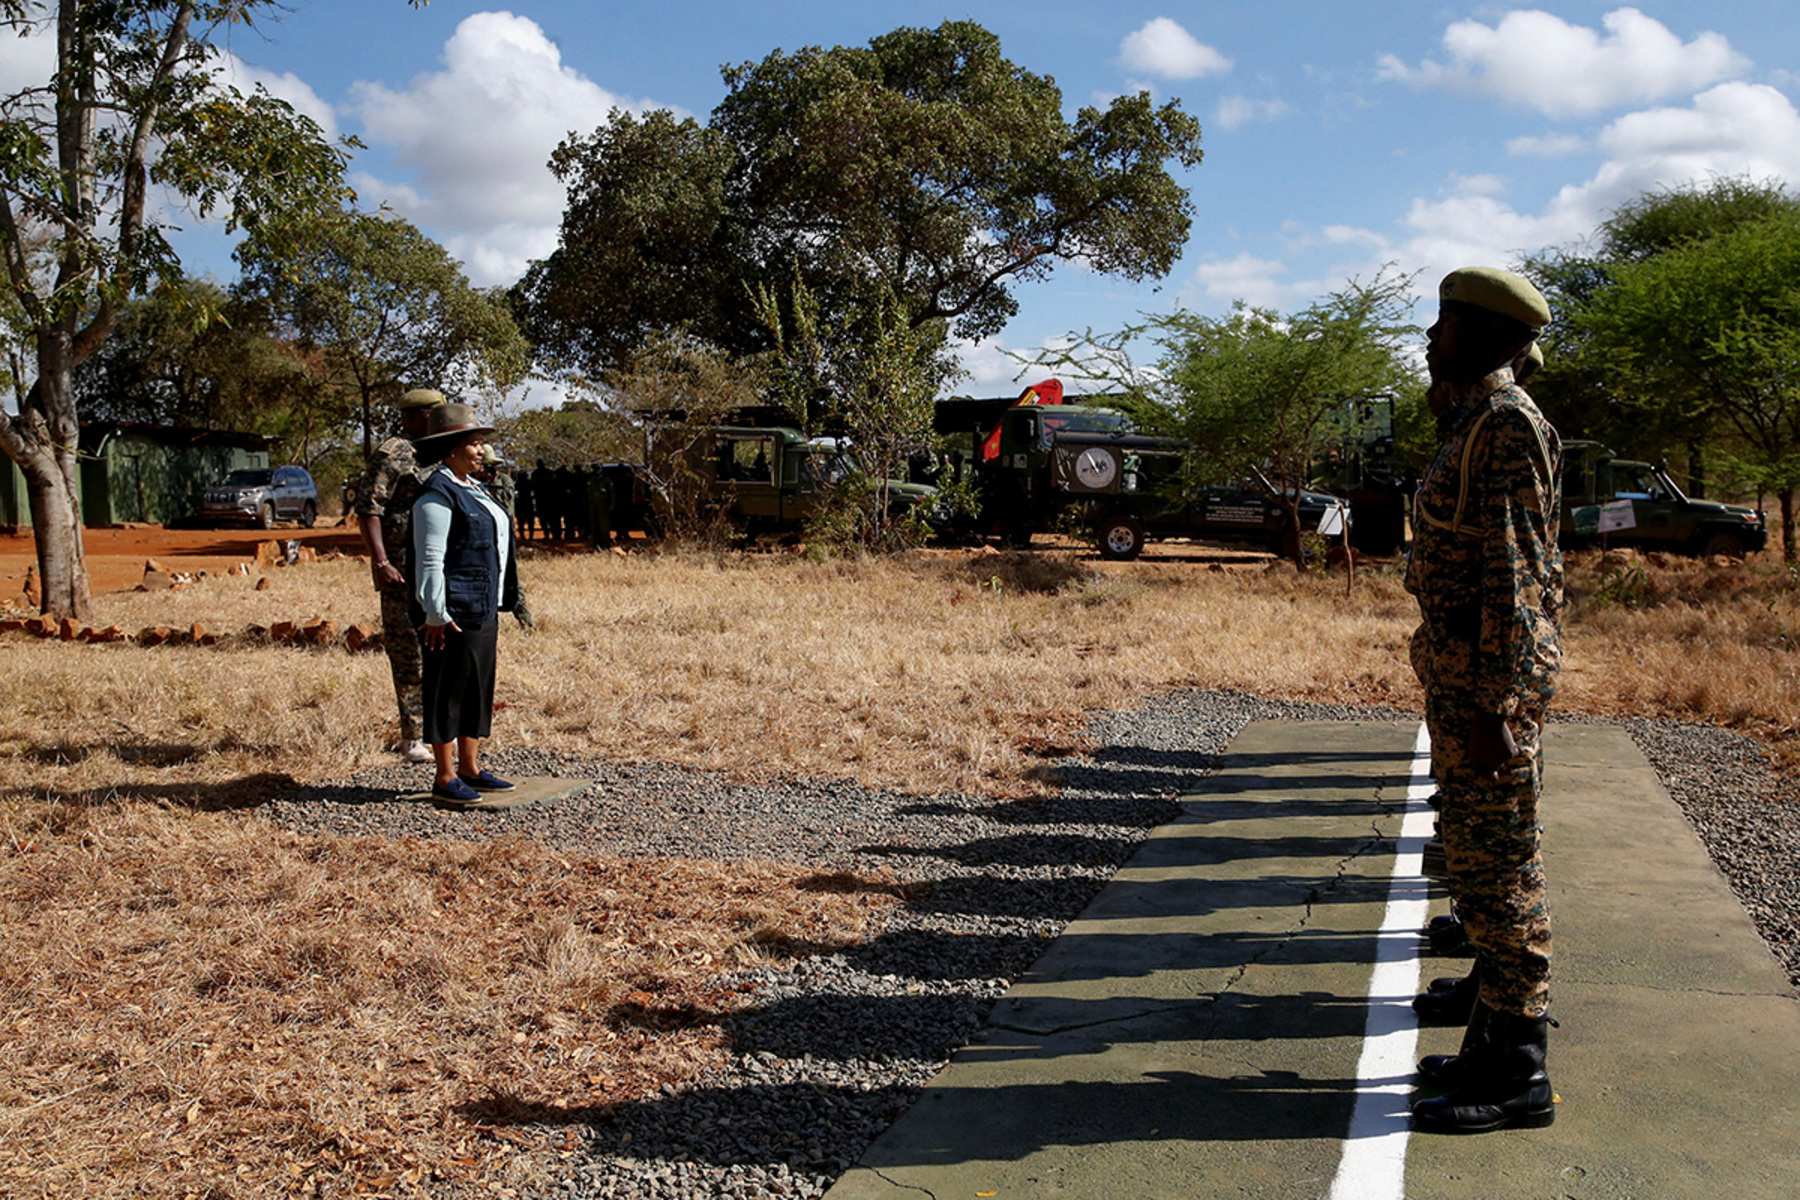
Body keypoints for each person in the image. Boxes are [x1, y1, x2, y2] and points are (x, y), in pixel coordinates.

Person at [1406, 267, 1563, 1134]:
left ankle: (1519, 1070)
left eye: (1450, 323)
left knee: (1502, 873)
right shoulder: (1473, 418)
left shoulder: (1505, 426)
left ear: (1499, 339)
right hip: (1465, 676)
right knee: (1477, 860)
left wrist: (1498, 706)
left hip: (1485, 686)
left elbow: (1516, 575)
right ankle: (1493, 1034)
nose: (1432, 337)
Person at [410, 403, 519, 806]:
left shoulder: (474, 487)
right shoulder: (436, 496)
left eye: (480, 444)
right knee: (447, 690)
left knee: (476, 687)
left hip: (482, 606)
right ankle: (445, 775)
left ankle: (471, 768)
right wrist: (434, 612)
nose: (480, 451)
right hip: (451, 612)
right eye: (473, 444)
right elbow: (430, 558)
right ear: (450, 449)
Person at [354, 387, 445, 764]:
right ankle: (412, 736)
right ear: (418, 415)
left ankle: (442, 730)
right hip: (401, 570)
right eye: (435, 412)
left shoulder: (440, 450)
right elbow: (368, 508)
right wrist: (380, 561)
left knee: (441, 646)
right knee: (408, 652)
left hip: (436, 565)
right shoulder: (393, 452)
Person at [479, 446, 535, 630]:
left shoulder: (503, 482)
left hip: (500, 538)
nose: (491, 470)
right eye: (487, 466)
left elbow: (506, 510)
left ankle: (526, 622)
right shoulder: (469, 482)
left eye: (493, 466)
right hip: (478, 540)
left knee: (511, 581)